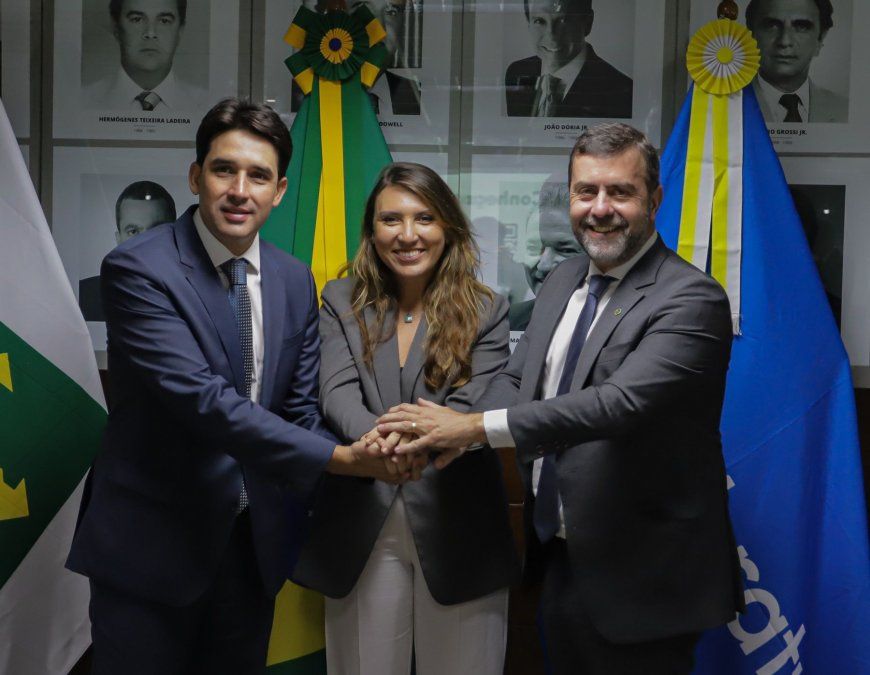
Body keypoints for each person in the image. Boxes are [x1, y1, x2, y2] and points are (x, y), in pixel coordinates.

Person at [378, 124, 744, 674]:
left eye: (620, 192)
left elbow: (616, 405)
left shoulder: (691, 298)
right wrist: (445, 431)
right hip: (561, 556)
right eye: (585, 191)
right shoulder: (565, 276)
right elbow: (517, 380)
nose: (600, 208)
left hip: (645, 578)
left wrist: (473, 430)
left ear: (654, 200)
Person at [66, 98, 400, 675]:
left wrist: (374, 441)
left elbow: (297, 406)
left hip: (251, 550)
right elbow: (203, 402)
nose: (240, 189)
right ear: (196, 176)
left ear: (280, 190)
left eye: (259, 175)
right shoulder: (138, 269)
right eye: (225, 170)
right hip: (151, 549)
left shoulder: (295, 280)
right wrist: (342, 458)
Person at [292, 162, 520, 674]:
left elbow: (476, 404)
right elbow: (335, 390)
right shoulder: (339, 300)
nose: (408, 235)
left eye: (425, 218)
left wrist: (414, 442)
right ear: (372, 232)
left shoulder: (489, 309)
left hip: (459, 524)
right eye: (391, 220)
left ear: (449, 228)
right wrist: (383, 443)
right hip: (361, 523)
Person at [505, 0, 632, 118]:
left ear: (588, 23)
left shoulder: (621, 91)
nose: (551, 36)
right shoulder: (516, 73)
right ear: (529, 25)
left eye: (563, 20)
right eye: (539, 21)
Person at [291, 0, 421, 115]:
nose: (379, 31)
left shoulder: (415, 98)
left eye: (392, 11)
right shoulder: (302, 93)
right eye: (363, 8)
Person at [79, 180, 177, 322]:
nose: (145, 242)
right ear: (118, 239)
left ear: (174, 234)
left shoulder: (196, 296)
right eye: (133, 231)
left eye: (157, 229)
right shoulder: (85, 296)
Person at [84, 0, 207, 111]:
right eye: (137, 19)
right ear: (116, 28)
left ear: (180, 31)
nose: (150, 33)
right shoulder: (83, 100)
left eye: (164, 21)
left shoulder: (205, 104)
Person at [746, 0, 848, 123]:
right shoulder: (729, 105)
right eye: (772, 25)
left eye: (801, 27)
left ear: (820, 40)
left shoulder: (844, 110)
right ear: (751, 36)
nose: (785, 41)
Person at [510, 180, 587, 330]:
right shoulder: (507, 322)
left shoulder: (624, 326)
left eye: (565, 250)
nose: (543, 265)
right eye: (534, 248)